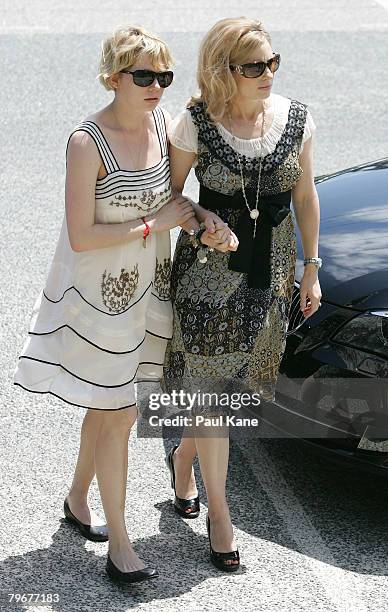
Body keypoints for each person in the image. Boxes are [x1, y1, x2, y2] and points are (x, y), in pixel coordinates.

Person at [13, 25, 195, 585]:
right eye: (143, 76)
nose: (156, 87)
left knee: (112, 406)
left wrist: (198, 219)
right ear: (112, 76)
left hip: (150, 291)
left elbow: (171, 198)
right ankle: (120, 542)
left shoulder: (161, 123)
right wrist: (154, 224)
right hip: (101, 300)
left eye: (163, 76)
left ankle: (75, 498)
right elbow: (81, 234)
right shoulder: (86, 141)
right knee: (119, 413)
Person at [162, 16, 322, 572]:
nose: (267, 74)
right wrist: (202, 219)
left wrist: (311, 268)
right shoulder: (195, 122)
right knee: (211, 397)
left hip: (271, 275)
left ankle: (185, 458)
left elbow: (305, 196)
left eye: (272, 62)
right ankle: (220, 514)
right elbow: (170, 195)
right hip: (209, 277)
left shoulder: (295, 119)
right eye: (254, 66)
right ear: (222, 69)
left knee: (234, 394)